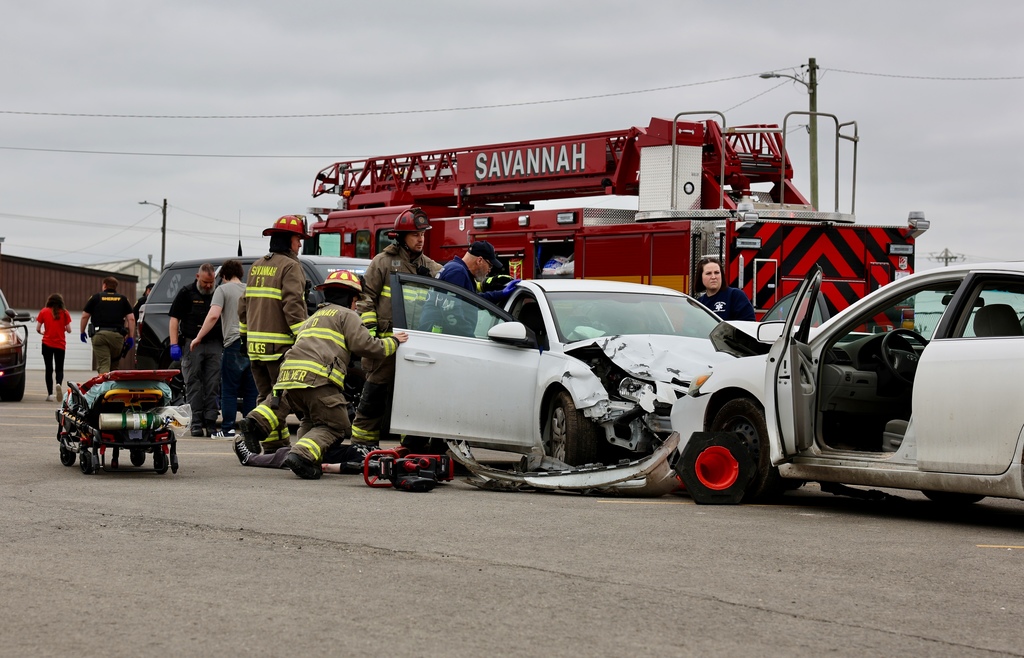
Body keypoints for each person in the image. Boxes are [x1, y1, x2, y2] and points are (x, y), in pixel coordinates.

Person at [237, 270, 408, 479]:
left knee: (307, 415)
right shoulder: (347, 315)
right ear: (351, 298)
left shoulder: (313, 318)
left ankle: (256, 422)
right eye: (356, 300)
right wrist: (394, 341)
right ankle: (302, 455)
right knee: (335, 425)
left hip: (288, 376)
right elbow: (367, 346)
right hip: (318, 379)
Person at [351, 207, 441, 457]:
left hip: (415, 346)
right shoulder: (383, 262)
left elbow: (454, 284)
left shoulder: (429, 267)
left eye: (422, 233)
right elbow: (365, 298)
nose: (421, 238)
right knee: (374, 396)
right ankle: (362, 446)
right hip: (386, 343)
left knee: (411, 400)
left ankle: (410, 448)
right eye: (414, 234)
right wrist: (373, 336)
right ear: (401, 237)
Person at [236, 215, 310, 453]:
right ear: (289, 240)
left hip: (255, 347)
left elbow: (244, 304)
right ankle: (255, 425)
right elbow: (293, 305)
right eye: (298, 239)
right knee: (284, 396)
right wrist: (305, 337)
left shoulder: (257, 265)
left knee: (266, 396)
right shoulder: (291, 267)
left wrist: (244, 336)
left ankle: (273, 447)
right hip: (280, 348)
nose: (299, 245)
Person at [190, 259, 257, 438]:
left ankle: (228, 429)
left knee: (229, 389)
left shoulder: (222, 289)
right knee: (251, 389)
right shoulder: (249, 289)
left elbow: (213, 316)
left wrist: (198, 337)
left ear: (224, 275)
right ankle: (250, 429)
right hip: (254, 344)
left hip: (233, 343)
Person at [420, 241, 520, 335]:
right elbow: (451, 313)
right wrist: (470, 338)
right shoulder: (458, 273)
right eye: (490, 265)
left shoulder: (456, 268)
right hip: (441, 340)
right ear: (479, 260)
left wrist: (500, 294)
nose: (489, 270)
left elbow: (471, 300)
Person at [169, 263, 222, 437]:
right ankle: (196, 423)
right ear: (197, 277)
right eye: (206, 282)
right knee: (193, 383)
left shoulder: (217, 292)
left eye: (211, 282)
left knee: (213, 384)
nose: (208, 286)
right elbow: (174, 319)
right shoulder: (186, 293)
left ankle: (211, 422)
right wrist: (174, 344)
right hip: (192, 344)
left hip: (214, 343)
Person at [81, 277, 135, 374]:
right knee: (114, 365)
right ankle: (113, 387)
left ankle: (104, 387)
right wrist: (131, 336)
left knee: (104, 364)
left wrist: (82, 332)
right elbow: (131, 318)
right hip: (117, 337)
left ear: (104, 285)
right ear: (115, 287)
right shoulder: (123, 299)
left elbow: (85, 316)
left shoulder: (96, 298)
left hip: (100, 336)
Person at [35, 293, 72, 401]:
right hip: (60, 345)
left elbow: (37, 328)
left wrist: (43, 332)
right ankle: (59, 384)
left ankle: (50, 394)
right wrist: (62, 329)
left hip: (46, 344)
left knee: (49, 368)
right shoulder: (65, 313)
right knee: (59, 368)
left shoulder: (44, 311)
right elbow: (69, 330)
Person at [695, 257, 756, 321]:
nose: (713, 277)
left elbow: (749, 324)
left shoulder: (735, 296)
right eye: (708, 273)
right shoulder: (699, 303)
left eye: (717, 272)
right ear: (700, 277)